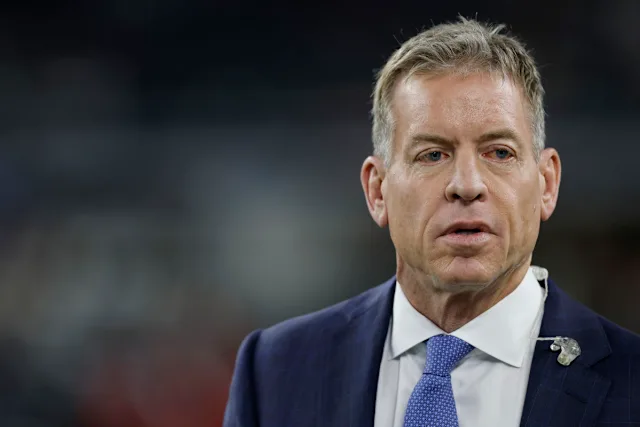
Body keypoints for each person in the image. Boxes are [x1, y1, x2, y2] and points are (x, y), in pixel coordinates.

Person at [223, 17, 640, 426]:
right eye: (432, 155)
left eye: (499, 152)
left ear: (546, 184)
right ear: (377, 190)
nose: (467, 185)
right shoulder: (275, 371)